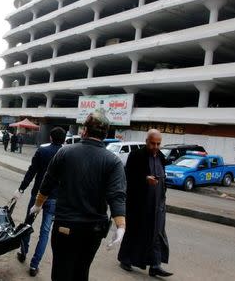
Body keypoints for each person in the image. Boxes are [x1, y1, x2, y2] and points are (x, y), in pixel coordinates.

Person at [30, 112, 127, 281]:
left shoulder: (65, 153)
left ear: (84, 131)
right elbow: (117, 196)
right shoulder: (113, 161)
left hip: (65, 227)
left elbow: (47, 183)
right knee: (81, 271)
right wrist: (121, 226)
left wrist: (38, 205)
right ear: (105, 134)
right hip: (93, 231)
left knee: (61, 271)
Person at [118, 129, 172, 278]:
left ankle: (155, 265)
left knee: (157, 233)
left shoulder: (161, 157)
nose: (155, 147)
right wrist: (144, 178)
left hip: (158, 202)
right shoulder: (136, 155)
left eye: (158, 144)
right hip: (139, 202)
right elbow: (128, 175)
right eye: (153, 143)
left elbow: (163, 178)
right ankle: (125, 259)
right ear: (147, 141)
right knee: (135, 232)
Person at [12, 127, 66, 277]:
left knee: (28, 223)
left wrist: (21, 189)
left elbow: (31, 172)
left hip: (37, 195)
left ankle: (23, 252)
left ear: (50, 138)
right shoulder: (66, 155)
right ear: (64, 139)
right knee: (45, 232)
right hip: (54, 199)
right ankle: (34, 265)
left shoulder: (42, 151)